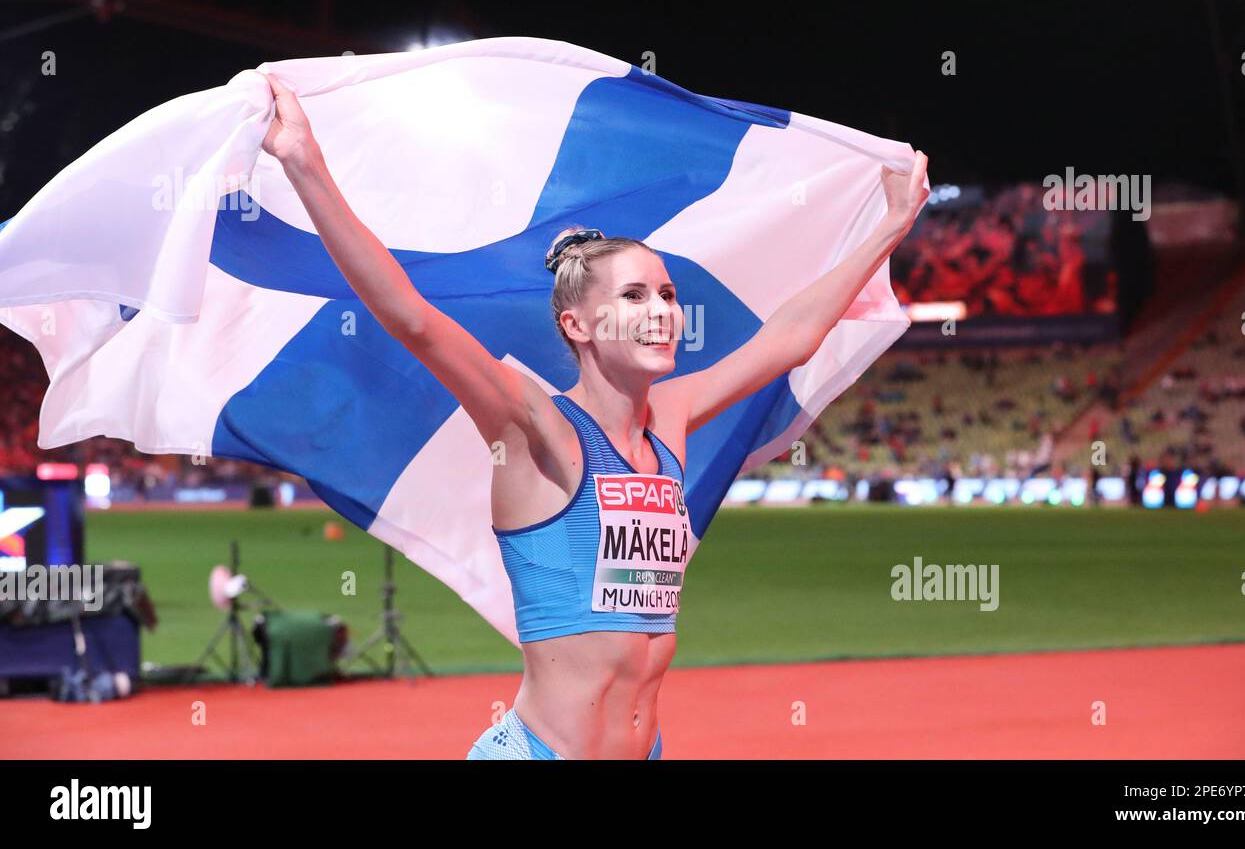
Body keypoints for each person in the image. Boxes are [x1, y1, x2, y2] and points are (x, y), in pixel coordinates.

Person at [259, 72, 930, 759]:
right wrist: (306, 166)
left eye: (666, 294)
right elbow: (411, 317)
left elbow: (788, 338)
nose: (662, 311)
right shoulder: (535, 428)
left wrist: (891, 226)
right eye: (635, 296)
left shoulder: (670, 417)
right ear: (577, 325)